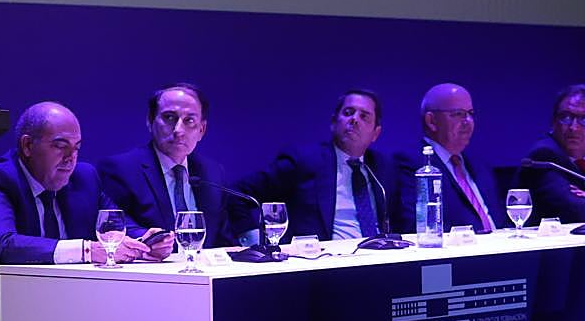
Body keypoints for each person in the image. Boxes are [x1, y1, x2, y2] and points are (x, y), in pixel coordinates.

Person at [0, 101, 168, 321]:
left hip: (68, 317)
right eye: (60, 146)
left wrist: (147, 240)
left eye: (77, 148)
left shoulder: (84, 177)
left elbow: (117, 225)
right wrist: (88, 250)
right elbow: (5, 246)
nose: (71, 158)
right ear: (28, 146)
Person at [234, 89, 410, 242]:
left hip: (379, 259)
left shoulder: (385, 168)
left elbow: (400, 221)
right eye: (348, 112)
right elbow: (239, 193)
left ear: (376, 133)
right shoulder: (304, 161)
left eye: (364, 116)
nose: (354, 119)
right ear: (333, 122)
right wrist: (253, 239)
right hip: (323, 262)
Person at [98, 83, 235, 247]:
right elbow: (114, 227)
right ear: (150, 121)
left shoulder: (212, 173)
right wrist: (148, 240)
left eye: (189, 120)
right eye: (169, 117)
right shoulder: (121, 170)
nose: (178, 130)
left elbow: (224, 240)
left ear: (202, 130)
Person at [397, 83, 499, 232]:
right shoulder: (413, 165)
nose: (468, 121)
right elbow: (420, 226)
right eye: (458, 114)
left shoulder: (480, 167)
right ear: (431, 121)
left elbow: (502, 221)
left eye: (470, 113)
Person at [517, 84, 585, 224]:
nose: (574, 127)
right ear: (553, 122)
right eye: (566, 117)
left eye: (584, 119)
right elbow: (575, 211)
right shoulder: (544, 155)